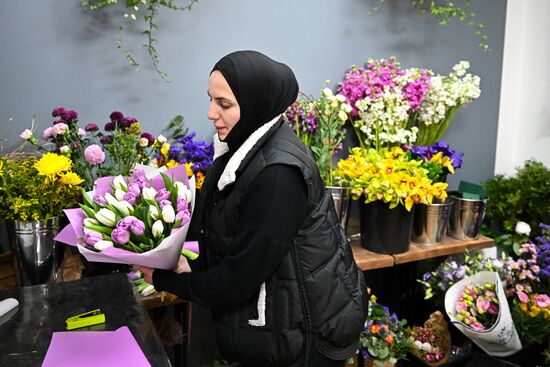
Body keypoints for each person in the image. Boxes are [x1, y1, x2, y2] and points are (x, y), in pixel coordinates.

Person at [135, 50, 368, 367]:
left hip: (304, 337)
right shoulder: (244, 149)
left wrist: (164, 280)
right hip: (282, 323)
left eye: (224, 104)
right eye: (211, 99)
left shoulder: (277, 175)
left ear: (257, 103)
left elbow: (238, 277)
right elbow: (223, 227)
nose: (210, 113)